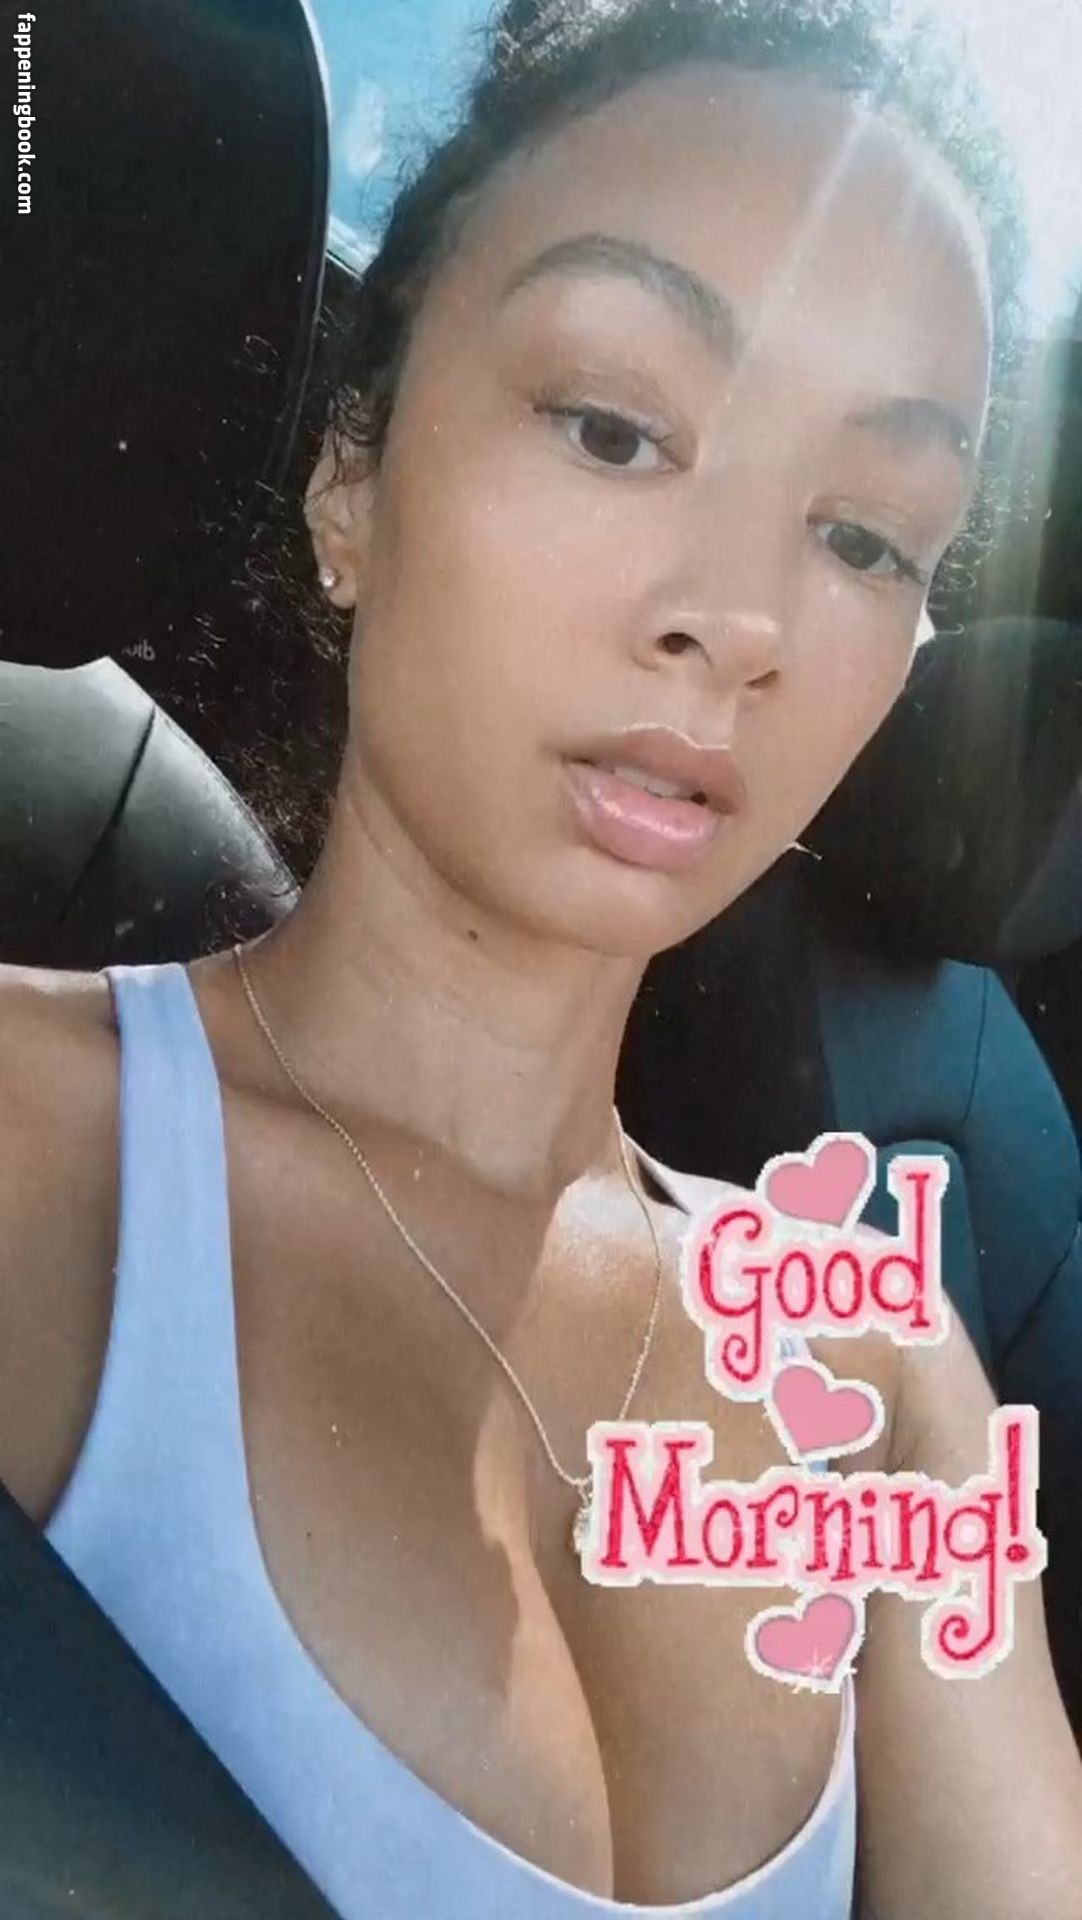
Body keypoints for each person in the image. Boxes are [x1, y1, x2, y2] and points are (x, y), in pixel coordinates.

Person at [3, 0, 1081, 1914]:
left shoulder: (884, 1372)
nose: (739, 619)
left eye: (862, 536)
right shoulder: (22, 1156)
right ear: (351, 476)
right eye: (612, 425)